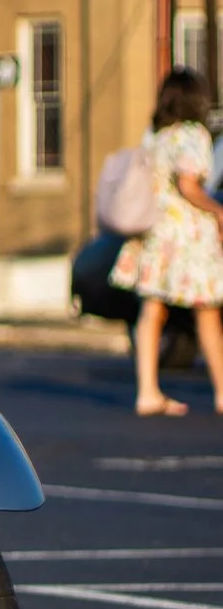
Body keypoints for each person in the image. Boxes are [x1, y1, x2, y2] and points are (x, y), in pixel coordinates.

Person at [113, 67, 223, 414]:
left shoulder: (156, 136)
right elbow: (189, 186)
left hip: (155, 233)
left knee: (152, 309)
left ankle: (147, 391)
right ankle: (222, 391)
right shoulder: (193, 135)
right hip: (186, 236)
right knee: (206, 311)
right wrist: (217, 210)